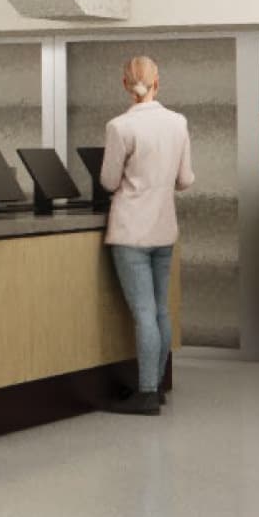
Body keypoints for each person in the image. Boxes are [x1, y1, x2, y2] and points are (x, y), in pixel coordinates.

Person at [96, 55, 195, 417]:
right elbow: (185, 180)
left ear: (125, 84)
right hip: (163, 228)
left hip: (130, 231)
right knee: (160, 311)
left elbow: (108, 181)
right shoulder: (178, 123)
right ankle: (157, 384)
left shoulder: (120, 127)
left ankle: (147, 392)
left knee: (143, 313)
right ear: (158, 82)